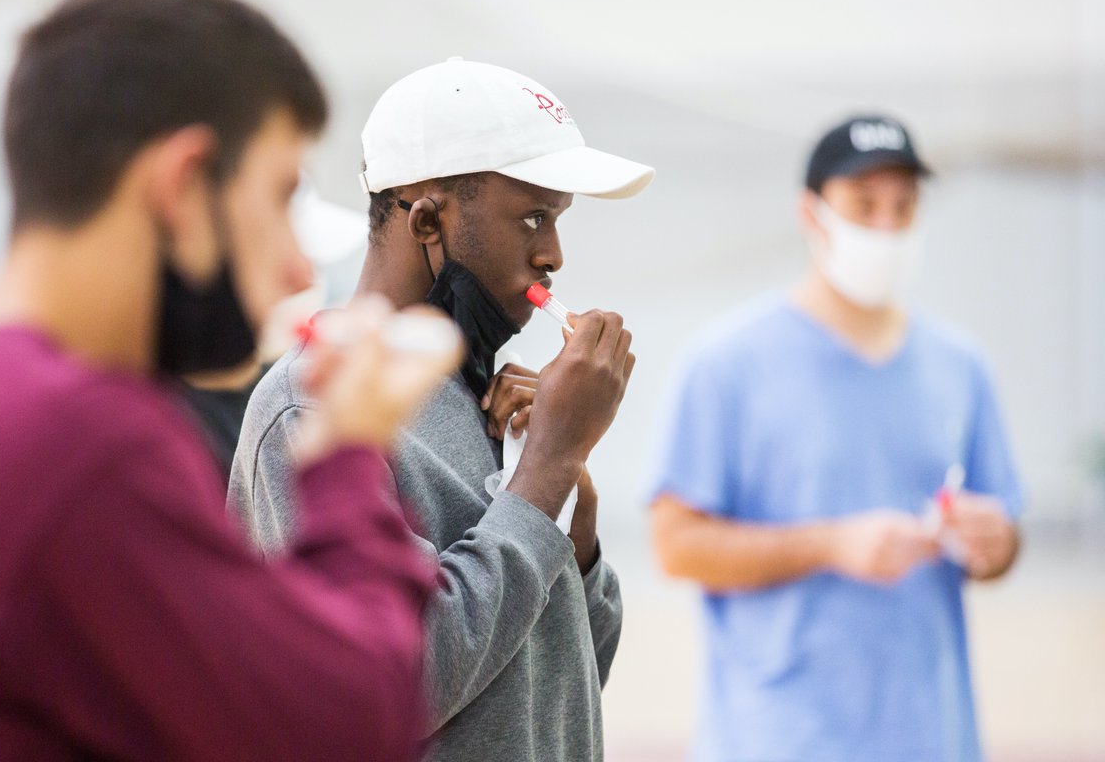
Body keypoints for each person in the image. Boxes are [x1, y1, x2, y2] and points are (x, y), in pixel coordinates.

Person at [0, 0, 461, 761]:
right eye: (278, 199)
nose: (300, 269)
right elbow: (342, 723)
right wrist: (347, 453)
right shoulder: (77, 442)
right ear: (183, 184)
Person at [229, 58, 653, 761]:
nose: (553, 254)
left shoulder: (487, 398)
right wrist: (544, 470)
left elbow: (570, 683)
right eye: (533, 217)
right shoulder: (313, 408)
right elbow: (393, 688)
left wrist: (571, 505)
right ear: (428, 220)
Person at [649, 114, 1023, 762]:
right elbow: (677, 545)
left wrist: (996, 541)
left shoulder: (958, 365)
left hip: (931, 734)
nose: (886, 226)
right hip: (778, 736)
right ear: (812, 214)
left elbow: (1006, 537)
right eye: (863, 205)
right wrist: (830, 545)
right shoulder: (729, 362)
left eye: (904, 206)